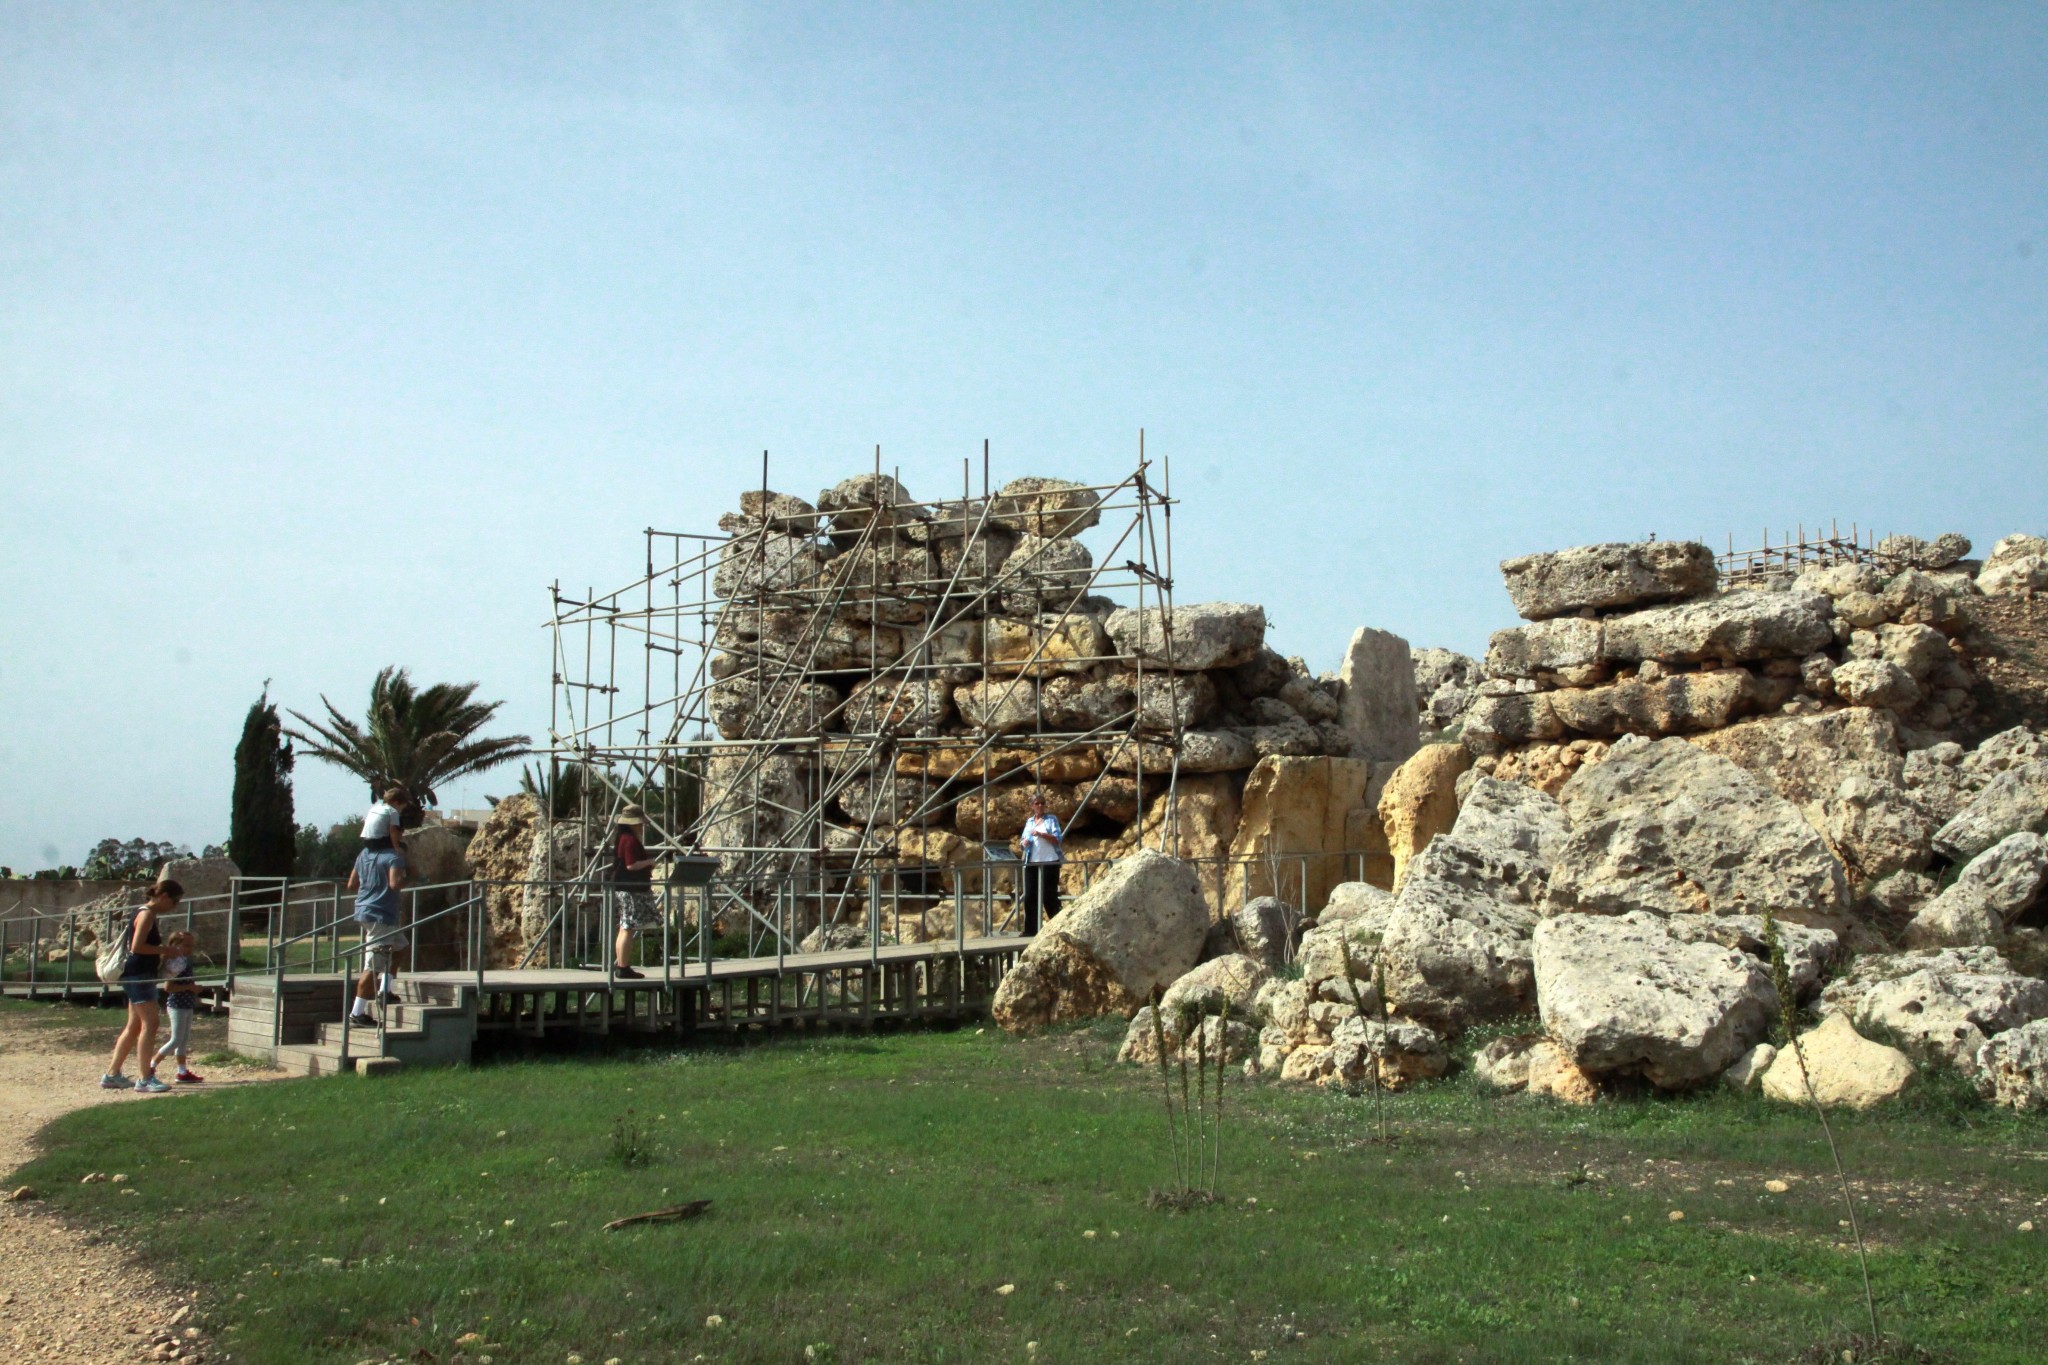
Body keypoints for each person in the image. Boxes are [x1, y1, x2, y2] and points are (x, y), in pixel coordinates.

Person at [102, 879, 181, 1092]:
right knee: (150, 1024)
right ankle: (145, 1077)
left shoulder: (145, 913)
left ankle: (112, 1074)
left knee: (134, 1025)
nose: (174, 906)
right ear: (163, 896)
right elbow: (138, 946)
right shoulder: (146, 914)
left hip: (136, 974)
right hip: (138, 975)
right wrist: (165, 950)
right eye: (174, 901)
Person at [345, 835, 409, 1024]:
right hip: (380, 916)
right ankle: (357, 1013)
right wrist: (413, 877)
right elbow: (395, 884)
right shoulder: (394, 857)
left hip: (366, 912)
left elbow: (351, 885)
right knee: (372, 967)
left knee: (401, 947)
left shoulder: (364, 854)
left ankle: (384, 990)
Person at [608, 804, 662, 979]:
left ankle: (621, 964)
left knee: (625, 926)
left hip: (624, 887)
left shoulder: (622, 837)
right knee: (628, 927)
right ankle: (623, 967)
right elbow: (631, 865)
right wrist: (649, 862)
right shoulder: (630, 840)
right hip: (631, 888)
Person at [151, 930, 204, 1084]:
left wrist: (192, 989)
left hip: (187, 1004)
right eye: (187, 945)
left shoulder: (185, 960)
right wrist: (190, 987)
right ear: (176, 945)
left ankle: (182, 1071)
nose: (190, 949)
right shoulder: (176, 962)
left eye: (191, 946)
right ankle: (152, 1065)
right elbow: (169, 987)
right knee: (175, 1040)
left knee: (183, 1040)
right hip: (177, 1005)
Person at [1017, 791, 1064, 935]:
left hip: (1050, 862)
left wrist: (1042, 834)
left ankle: (1059, 927)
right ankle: (1031, 930)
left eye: (1042, 803)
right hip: (1032, 862)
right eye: (1037, 803)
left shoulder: (1051, 819)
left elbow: (1057, 839)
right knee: (1030, 896)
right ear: (1032, 806)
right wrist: (1023, 843)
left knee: (1049, 895)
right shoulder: (1030, 822)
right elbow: (1023, 842)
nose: (1040, 806)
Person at [359, 784, 414, 854]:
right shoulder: (393, 811)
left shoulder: (375, 807)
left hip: (366, 841)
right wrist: (396, 847)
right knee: (403, 846)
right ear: (396, 803)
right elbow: (393, 830)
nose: (401, 811)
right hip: (378, 842)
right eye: (402, 808)